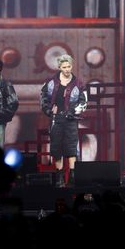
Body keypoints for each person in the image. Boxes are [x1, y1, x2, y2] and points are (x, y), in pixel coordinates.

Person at [40, 54, 88, 188]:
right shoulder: (51, 82)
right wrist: (48, 110)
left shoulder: (78, 83)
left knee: (71, 148)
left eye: (69, 66)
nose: (67, 69)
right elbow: (43, 97)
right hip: (56, 119)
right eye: (64, 67)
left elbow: (83, 102)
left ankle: (72, 177)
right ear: (59, 67)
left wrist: (73, 111)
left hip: (71, 119)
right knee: (56, 148)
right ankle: (59, 177)